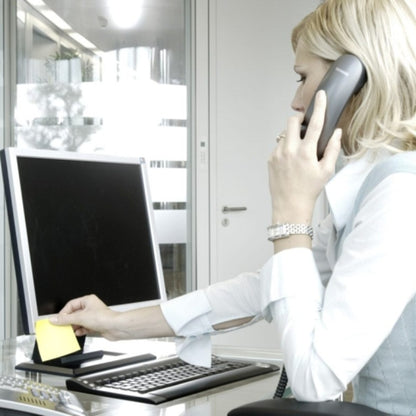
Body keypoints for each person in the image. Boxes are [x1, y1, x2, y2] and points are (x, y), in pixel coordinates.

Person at [51, 0, 416, 414]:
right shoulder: (377, 186)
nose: (297, 102)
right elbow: (259, 290)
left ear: (351, 82)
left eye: (302, 78)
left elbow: (316, 380)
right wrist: (117, 323)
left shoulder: (401, 195)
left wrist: (291, 214)